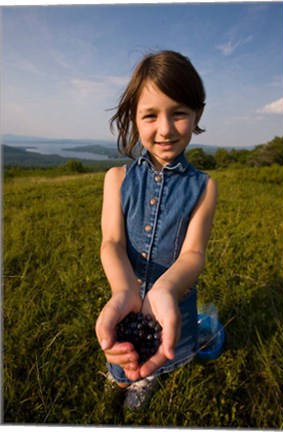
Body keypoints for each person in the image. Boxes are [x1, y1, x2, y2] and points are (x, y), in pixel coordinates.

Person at [95, 50, 217, 411]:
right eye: (150, 115)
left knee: (160, 352)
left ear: (198, 114)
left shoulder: (204, 187)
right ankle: (124, 377)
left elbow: (194, 253)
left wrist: (164, 288)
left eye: (179, 113)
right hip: (128, 303)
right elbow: (112, 242)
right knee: (127, 352)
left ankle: (145, 381)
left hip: (173, 301)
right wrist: (123, 290)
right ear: (134, 117)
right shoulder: (116, 179)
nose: (165, 129)